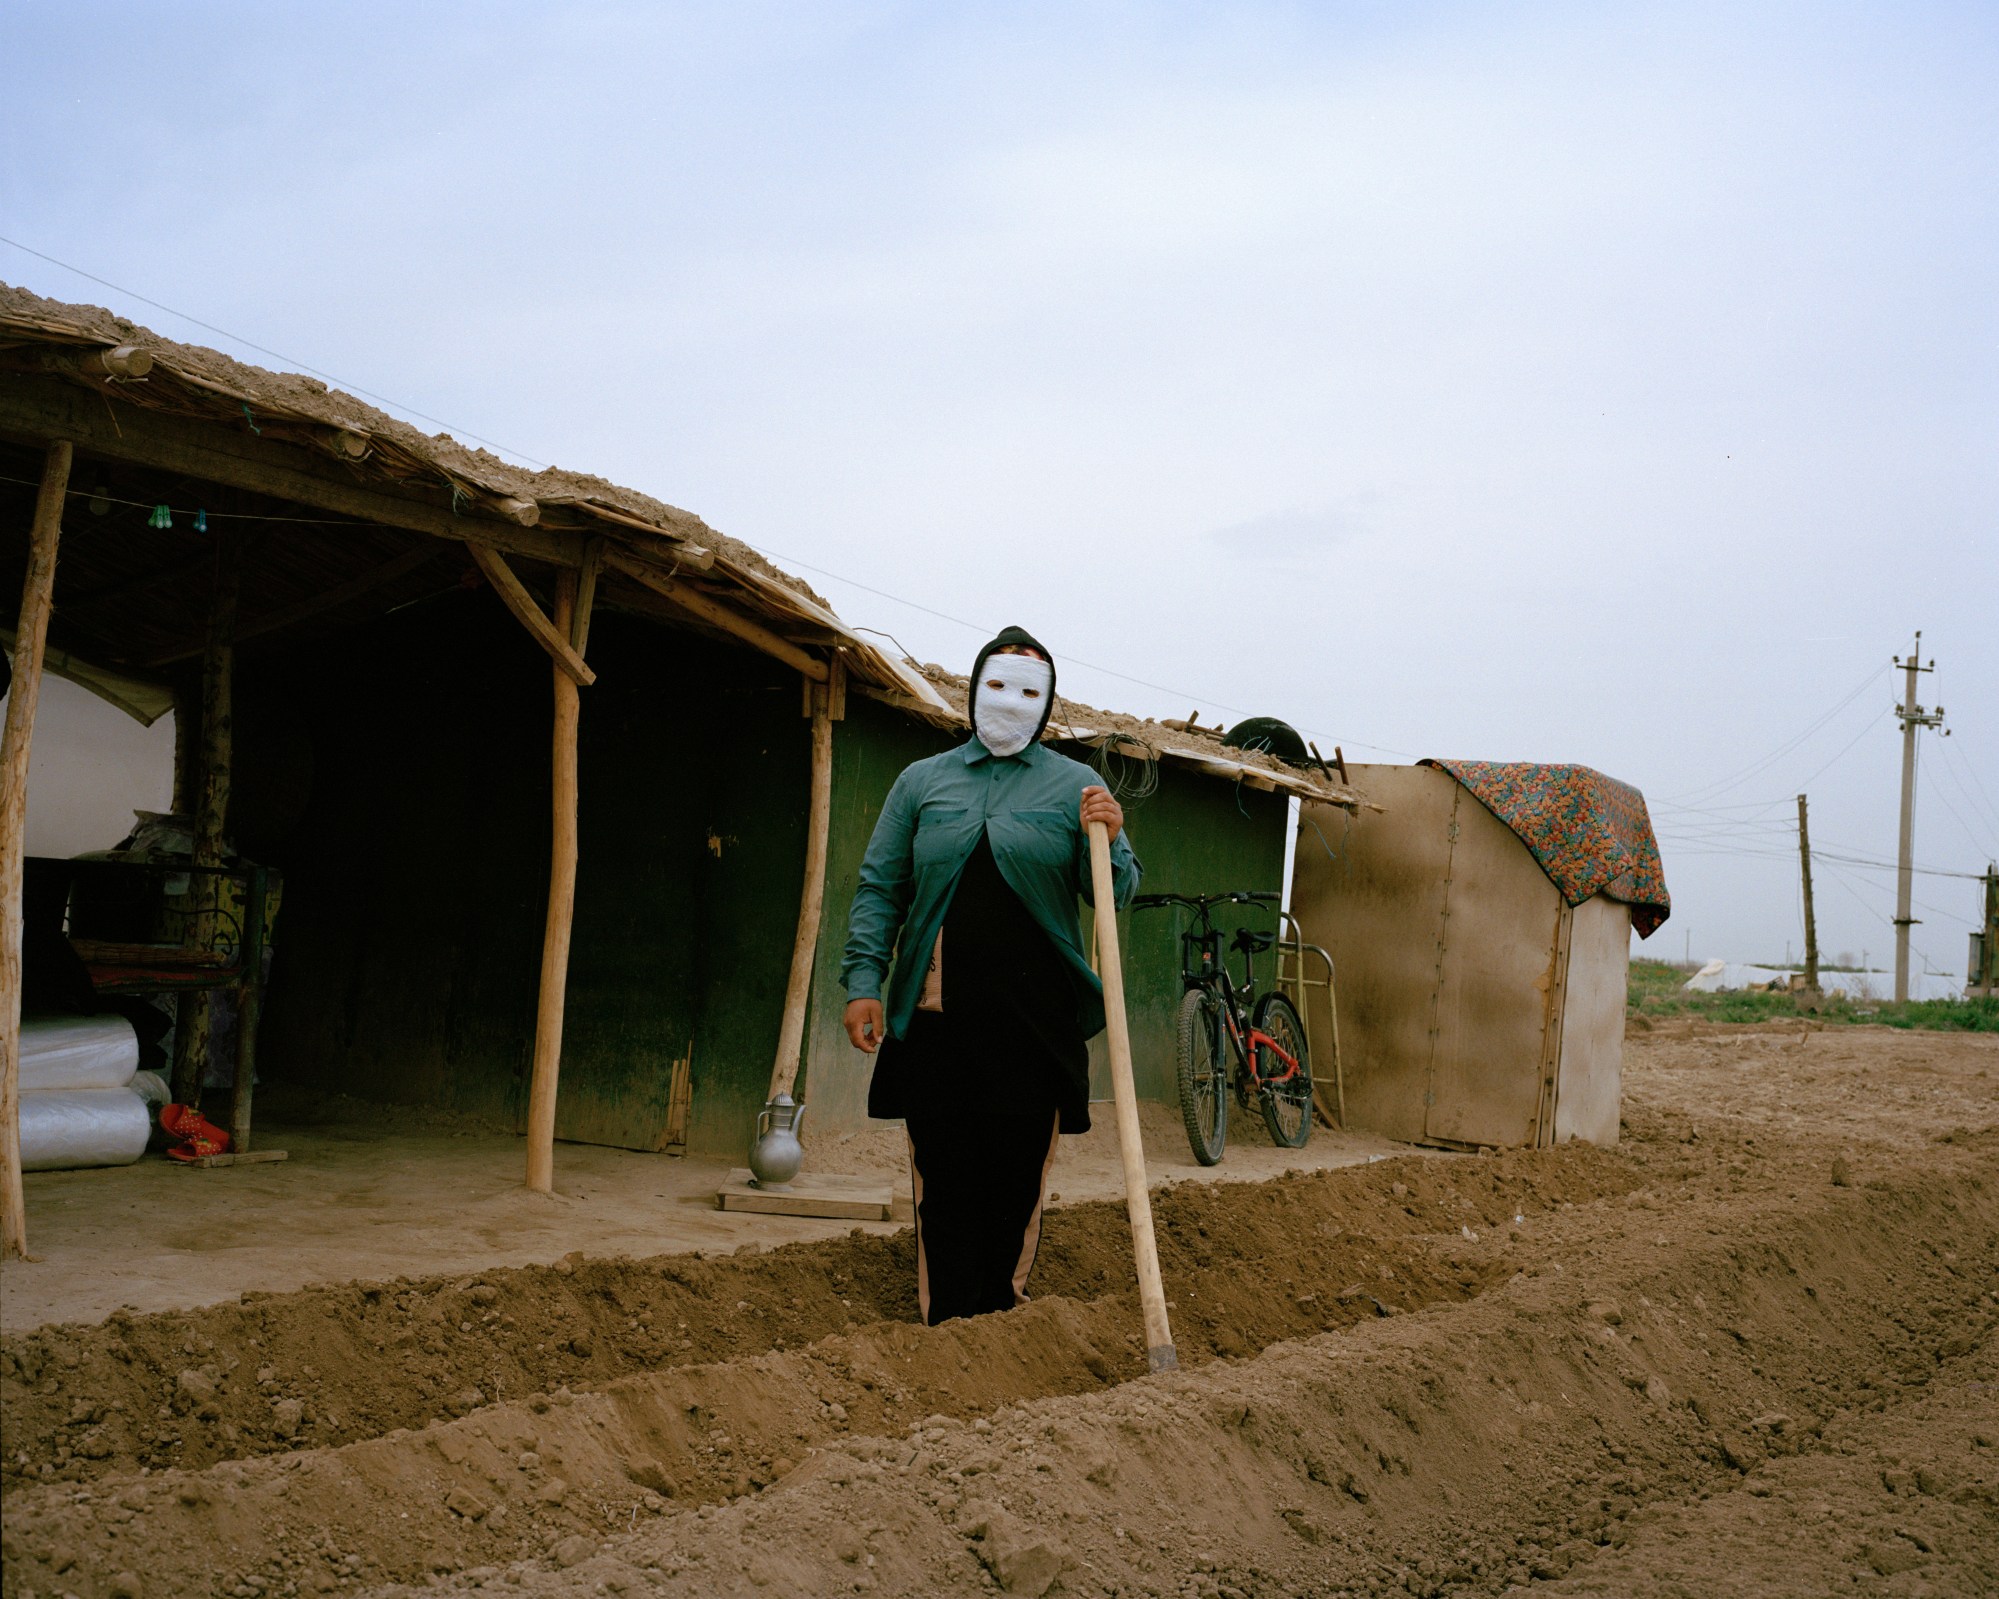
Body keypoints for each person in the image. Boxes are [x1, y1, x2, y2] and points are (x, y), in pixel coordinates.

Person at [841, 626, 1141, 1325]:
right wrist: (862, 979)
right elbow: (880, 887)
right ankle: (945, 1320)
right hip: (938, 1017)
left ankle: (1001, 1316)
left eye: (1028, 691)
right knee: (944, 1175)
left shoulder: (1077, 785)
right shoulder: (922, 781)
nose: (1010, 702)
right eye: (998, 684)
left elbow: (1115, 893)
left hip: (1033, 1024)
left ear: (1046, 704)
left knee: (1012, 1178)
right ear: (975, 689)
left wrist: (1114, 834)